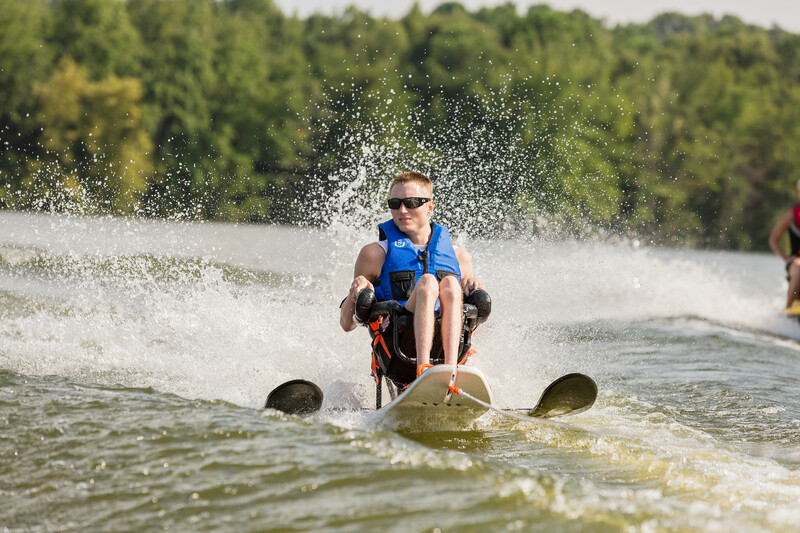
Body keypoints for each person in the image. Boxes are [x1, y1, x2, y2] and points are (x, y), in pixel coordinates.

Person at [339, 171, 485, 387]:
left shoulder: (459, 257)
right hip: (398, 351)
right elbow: (346, 323)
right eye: (395, 203)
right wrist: (355, 293)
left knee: (452, 285)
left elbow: (473, 325)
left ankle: (451, 372)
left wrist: (473, 289)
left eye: (411, 202)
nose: (402, 210)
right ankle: (424, 370)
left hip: (446, 351)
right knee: (427, 283)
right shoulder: (373, 254)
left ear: (429, 207)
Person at [768, 179, 800, 309]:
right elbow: (773, 239)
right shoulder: (791, 216)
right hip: (796, 262)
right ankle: (788, 310)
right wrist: (786, 259)